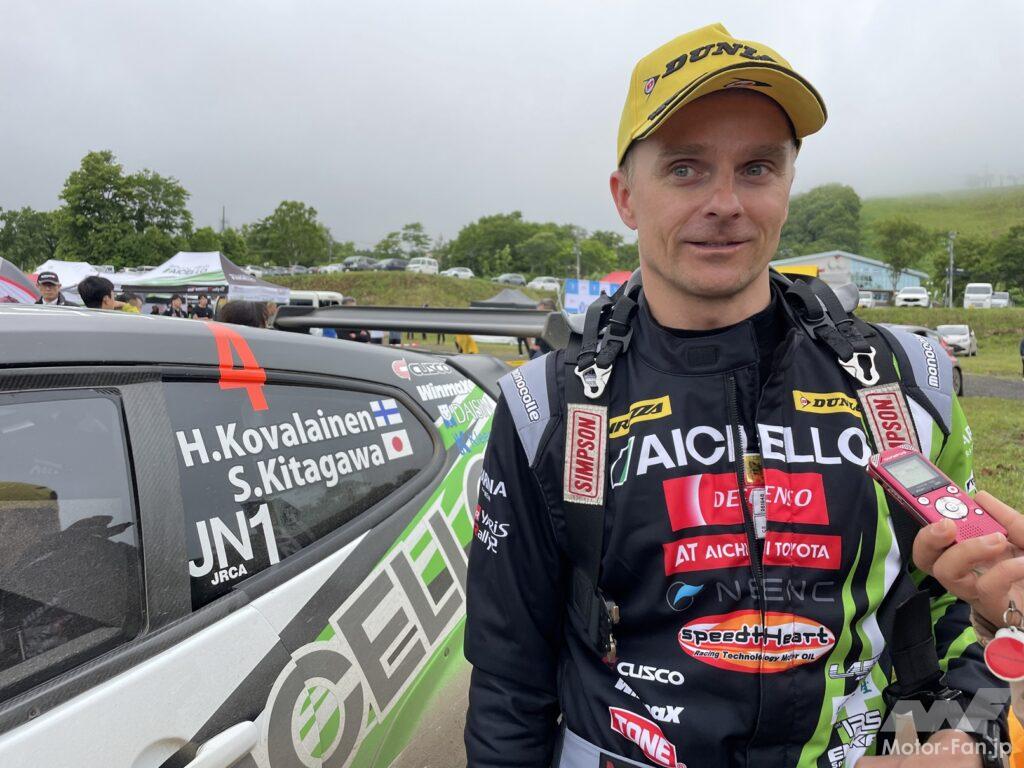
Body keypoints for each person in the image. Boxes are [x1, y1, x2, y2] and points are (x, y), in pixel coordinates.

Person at [464, 23, 1010, 767]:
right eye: (685, 168)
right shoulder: (544, 409)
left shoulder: (909, 380)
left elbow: (958, 616)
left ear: (787, 185)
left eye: (757, 167)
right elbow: (509, 681)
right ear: (626, 197)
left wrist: (964, 735)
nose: (725, 202)